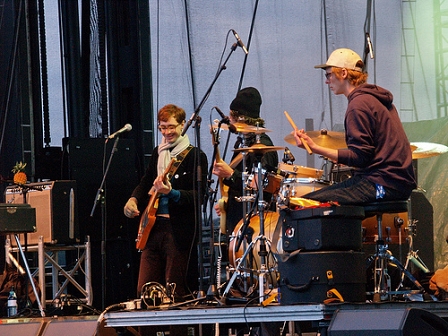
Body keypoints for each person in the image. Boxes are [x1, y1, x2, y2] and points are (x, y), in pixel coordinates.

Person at [292, 48, 417, 204]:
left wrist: (315, 147)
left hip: (383, 184)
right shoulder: (375, 99)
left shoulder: (358, 105)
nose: (327, 81)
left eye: (329, 75)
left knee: (304, 204)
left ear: (343, 73)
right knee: (314, 200)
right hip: (394, 182)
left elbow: (360, 158)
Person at [123, 104, 208, 335]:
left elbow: (199, 197)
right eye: (162, 128)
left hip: (178, 232)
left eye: (171, 127)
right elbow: (146, 182)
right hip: (152, 229)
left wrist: (171, 193)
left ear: (182, 125)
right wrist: (133, 200)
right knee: (145, 291)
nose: (166, 132)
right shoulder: (159, 153)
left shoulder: (195, 156)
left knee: (175, 292)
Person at [212, 87, 279, 236]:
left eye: (231, 116)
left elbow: (263, 187)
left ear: (240, 118)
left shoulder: (263, 147)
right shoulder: (242, 142)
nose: (229, 121)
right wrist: (227, 203)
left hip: (254, 224)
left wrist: (230, 174)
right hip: (237, 220)